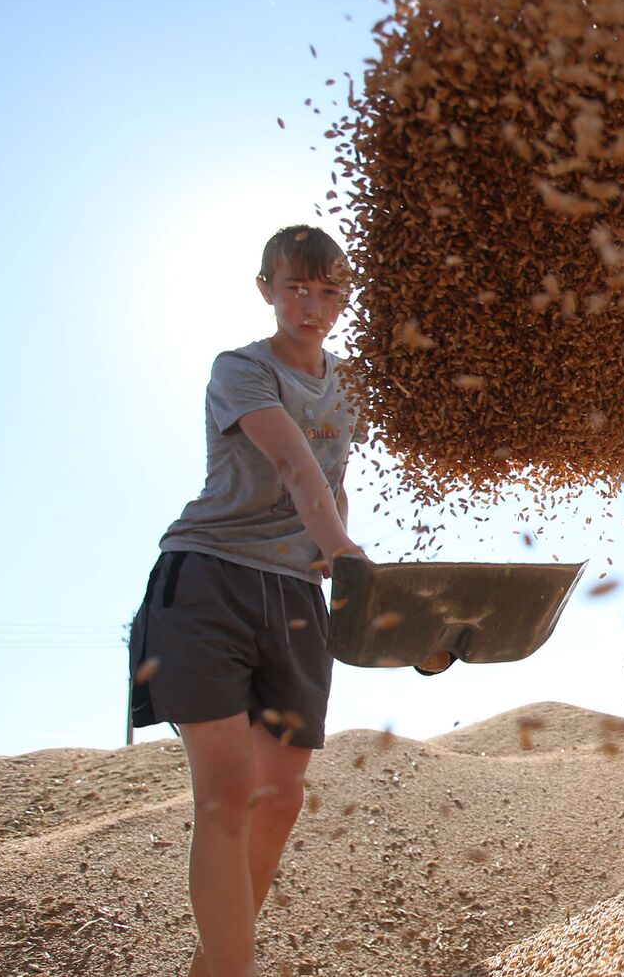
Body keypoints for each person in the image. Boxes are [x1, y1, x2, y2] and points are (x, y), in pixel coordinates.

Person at [125, 225, 449, 977]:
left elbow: (330, 475)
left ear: (346, 296)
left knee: (281, 795)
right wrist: (337, 545)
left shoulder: (353, 383)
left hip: (297, 591)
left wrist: (338, 553)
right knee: (229, 789)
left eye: (330, 290)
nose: (312, 304)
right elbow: (290, 457)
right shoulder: (239, 369)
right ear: (266, 287)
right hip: (210, 578)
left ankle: (214, 965)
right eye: (297, 288)